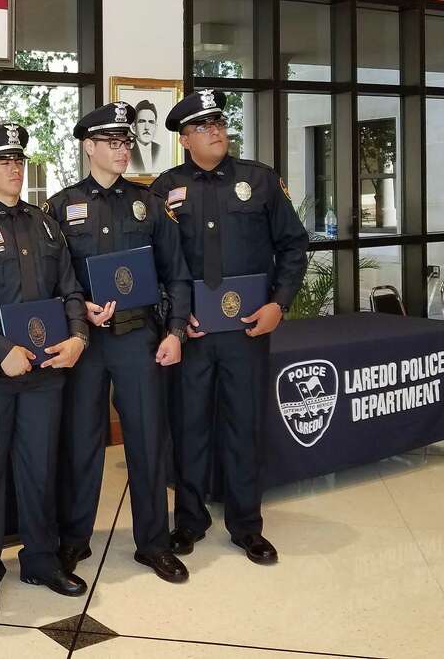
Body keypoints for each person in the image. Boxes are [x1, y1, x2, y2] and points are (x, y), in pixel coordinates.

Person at [151, 90, 307, 565]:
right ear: (184, 138)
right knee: (189, 427)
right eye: (203, 126)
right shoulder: (164, 188)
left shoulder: (258, 181)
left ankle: (246, 525)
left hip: (247, 331)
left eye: (219, 122)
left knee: (245, 427)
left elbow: (294, 246)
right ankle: (190, 521)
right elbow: (156, 263)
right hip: (193, 334)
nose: (216, 131)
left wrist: (279, 304)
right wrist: (173, 319)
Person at [0, 123, 90, 618]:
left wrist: (78, 336)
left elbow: (69, 288)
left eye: (18, 160)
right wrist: (1, 348)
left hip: (46, 371)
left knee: (39, 470)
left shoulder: (47, 225)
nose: (14, 168)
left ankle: (41, 560)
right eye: (3, 161)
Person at [45, 102, 192, 584]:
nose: (123, 149)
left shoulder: (148, 203)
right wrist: (77, 310)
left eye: (126, 141)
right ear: (89, 147)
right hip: (85, 343)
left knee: (149, 440)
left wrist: (173, 332)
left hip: (138, 338)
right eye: (113, 142)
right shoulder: (60, 207)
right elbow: (49, 279)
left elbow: (177, 273)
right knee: (82, 442)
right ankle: (73, 539)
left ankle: (153, 542)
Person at [128, 100, 161, 175]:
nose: (147, 127)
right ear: (134, 127)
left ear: (156, 127)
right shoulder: (127, 151)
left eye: (151, 122)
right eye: (142, 121)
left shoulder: (160, 150)